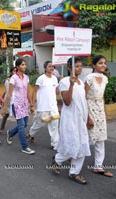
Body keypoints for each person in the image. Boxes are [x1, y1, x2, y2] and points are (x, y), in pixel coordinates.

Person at [51, 57, 90, 185]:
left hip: (81, 119)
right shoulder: (64, 81)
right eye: (76, 66)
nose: (79, 68)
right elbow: (67, 102)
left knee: (82, 145)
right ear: (69, 68)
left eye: (80, 66)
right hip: (70, 119)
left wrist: (88, 118)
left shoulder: (82, 82)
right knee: (72, 145)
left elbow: (84, 102)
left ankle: (74, 172)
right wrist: (71, 85)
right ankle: (57, 159)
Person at [84, 55, 113, 177]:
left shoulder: (105, 78)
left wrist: (105, 111)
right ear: (94, 65)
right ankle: (69, 155)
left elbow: (102, 96)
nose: (103, 65)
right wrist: (87, 117)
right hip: (89, 108)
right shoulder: (89, 78)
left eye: (104, 63)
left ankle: (98, 166)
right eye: (100, 63)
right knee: (88, 138)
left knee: (101, 138)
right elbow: (83, 97)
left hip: (100, 109)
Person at [1, 59, 35, 154]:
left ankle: (10, 133)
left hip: (24, 104)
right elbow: (9, 94)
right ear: (18, 66)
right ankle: (25, 147)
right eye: (23, 65)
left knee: (24, 124)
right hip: (16, 104)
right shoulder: (13, 78)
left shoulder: (26, 77)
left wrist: (31, 104)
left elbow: (28, 91)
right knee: (21, 126)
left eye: (25, 64)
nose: (25, 66)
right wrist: (4, 107)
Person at [28, 61, 60, 149]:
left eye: (52, 66)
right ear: (45, 68)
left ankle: (55, 144)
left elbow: (56, 92)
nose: (51, 68)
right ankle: (31, 133)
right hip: (43, 106)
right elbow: (34, 91)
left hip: (53, 106)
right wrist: (32, 104)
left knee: (54, 126)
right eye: (49, 66)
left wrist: (59, 85)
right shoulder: (41, 78)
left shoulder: (55, 78)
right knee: (40, 123)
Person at [0, 67, 16, 134]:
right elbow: (8, 92)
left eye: (16, 71)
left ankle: (20, 129)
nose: (15, 72)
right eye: (14, 71)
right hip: (9, 100)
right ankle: (2, 129)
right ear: (11, 72)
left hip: (16, 100)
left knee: (18, 115)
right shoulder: (8, 80)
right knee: (6, 115)